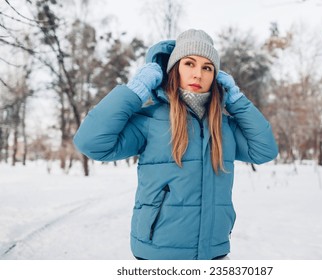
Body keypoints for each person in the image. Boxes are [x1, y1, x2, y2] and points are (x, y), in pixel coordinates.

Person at [73, 29, 278, 260]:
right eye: (189, 63)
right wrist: (135, 90)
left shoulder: (224, 127)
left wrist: (236, 99)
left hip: (214, 253)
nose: (198, 74)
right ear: (174, 70)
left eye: (207, 67)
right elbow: (91, 142)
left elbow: (264, 150)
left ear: (216, 77)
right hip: (158, 254)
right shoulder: (150, 120)